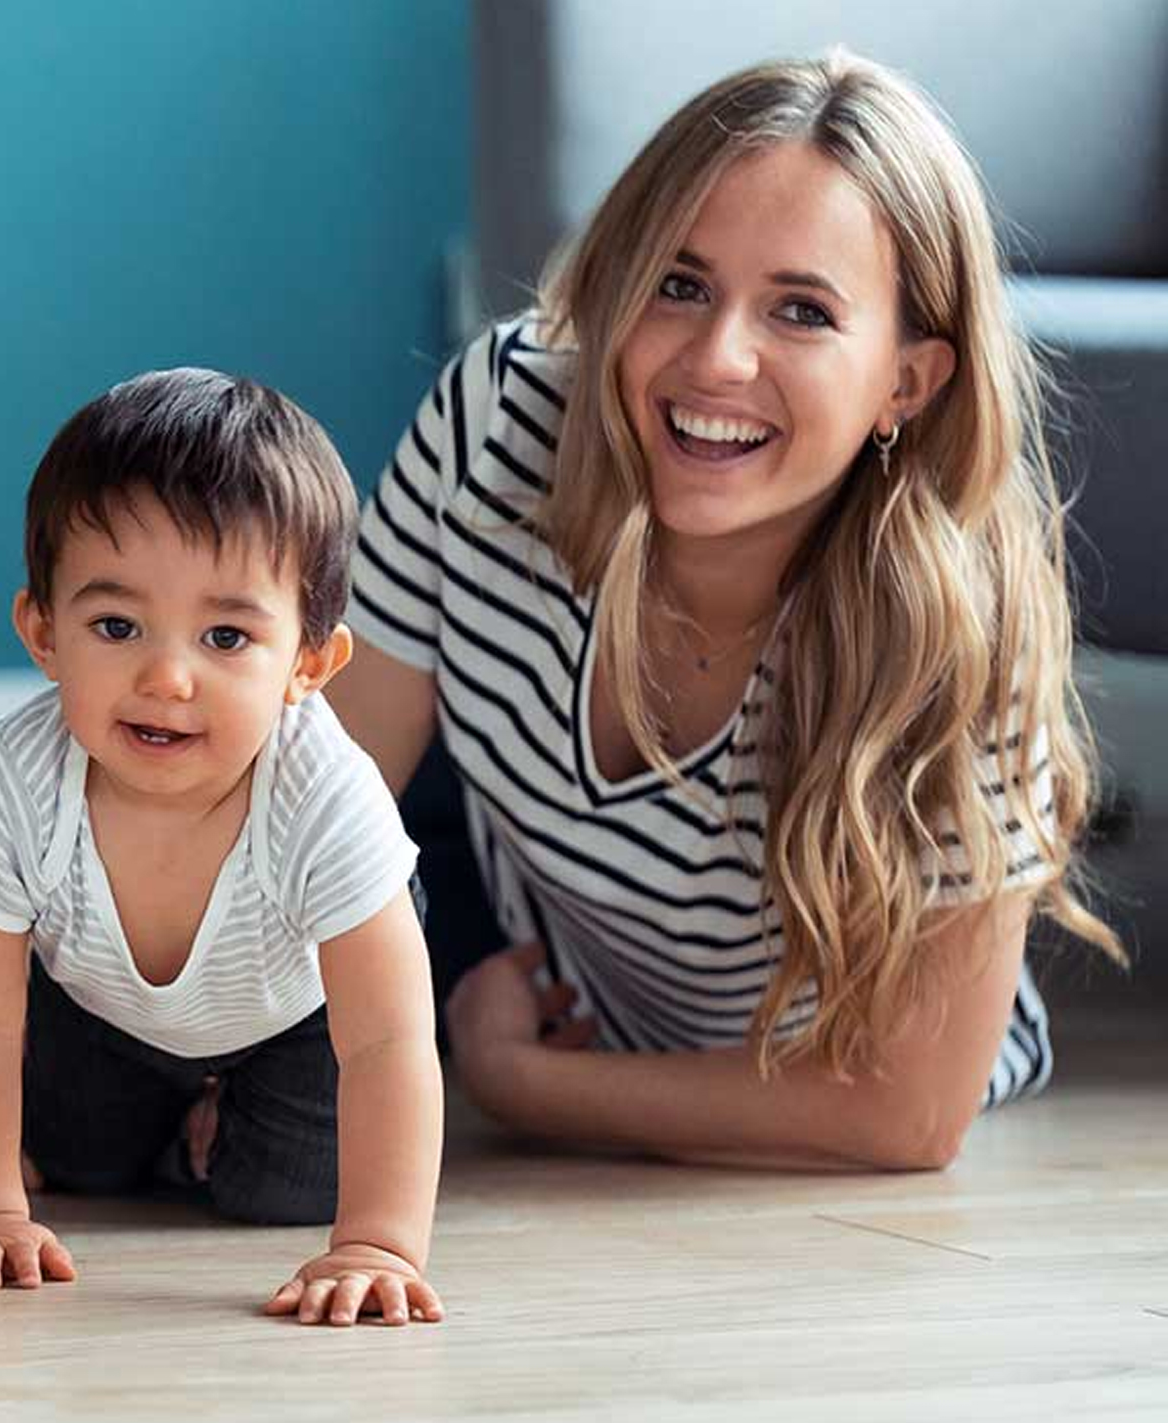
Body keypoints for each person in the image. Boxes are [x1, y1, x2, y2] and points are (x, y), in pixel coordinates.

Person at [328, 52, 1120, 1171]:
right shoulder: (500, 421)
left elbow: (900, 1116)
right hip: (519, 893)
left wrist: (521, 1081)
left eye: (801, 310)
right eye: (681, 284)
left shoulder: (964, 635)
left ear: (908, 381)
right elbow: (309, 806)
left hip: (800, 1073)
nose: (715, 360)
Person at [0, 370, 443, 1327]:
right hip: (94, 1000)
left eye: (227, 636)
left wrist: (378, 1245)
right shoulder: (17, 780)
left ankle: (219, 1108)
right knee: (79, 1165)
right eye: (116, 626)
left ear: (310, 665)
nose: (166, 677)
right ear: (43, 632)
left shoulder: (326, 796)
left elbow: (387, 1040)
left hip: (303, 1016)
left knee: (278, 1191)